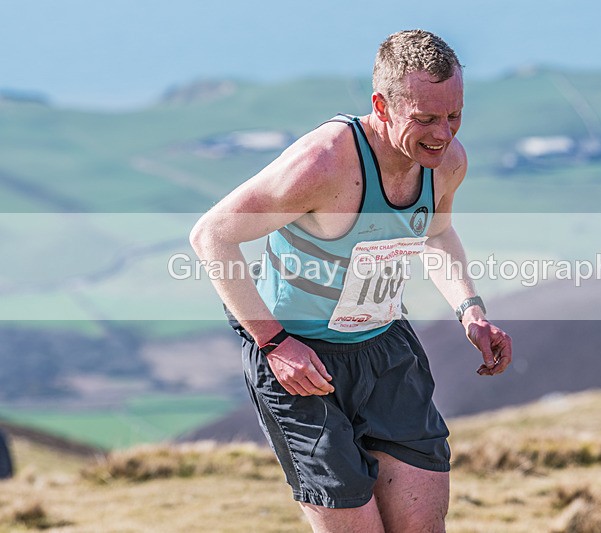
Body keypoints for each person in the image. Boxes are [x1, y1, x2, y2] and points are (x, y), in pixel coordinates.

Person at [190, 29, 512, 533]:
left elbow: (436, 232)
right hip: (302, 363)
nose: (444, 133)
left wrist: (471, 311)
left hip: (385, 351)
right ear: (382, 106)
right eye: (426, 119)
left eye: (454, 115)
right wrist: (275, 343)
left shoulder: (447, 163)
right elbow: (211, 236)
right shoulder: (323, 163)